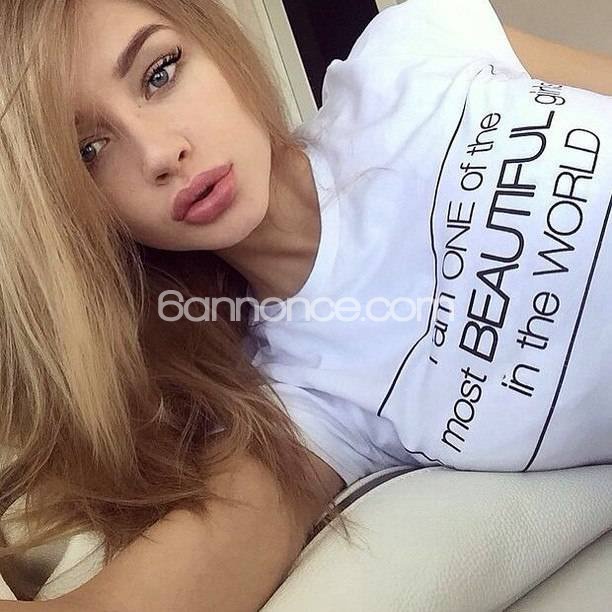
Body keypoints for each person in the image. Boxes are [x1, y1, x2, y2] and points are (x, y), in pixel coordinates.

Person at [0, 0, 610, 610]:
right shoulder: (302, 398)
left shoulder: (414, 47)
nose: (159, 153)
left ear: (218, 43)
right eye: (89, 151)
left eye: (160, 73)